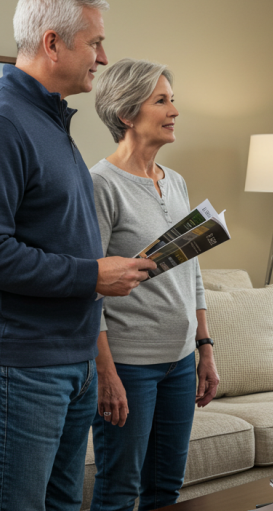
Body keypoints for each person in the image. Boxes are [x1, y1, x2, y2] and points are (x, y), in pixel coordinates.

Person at [0, 0, 156, 511]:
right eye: (95, 43)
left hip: (71, 359)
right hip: (21, 364)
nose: (103, 58)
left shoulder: (48, 120)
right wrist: (92, 275)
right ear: (52, 43)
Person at [88, 58, 220, 510]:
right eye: (161, 101)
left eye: (172, 100)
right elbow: (90, 290)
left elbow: (192, 270)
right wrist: (105, 372)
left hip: (181, 362)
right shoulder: (100, 185)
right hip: (129, 366)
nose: (174, 110)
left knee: (166, 490)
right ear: (127, 113)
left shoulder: (175, 181)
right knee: (120, 492)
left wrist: (204, 347)